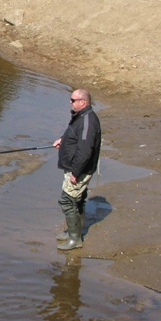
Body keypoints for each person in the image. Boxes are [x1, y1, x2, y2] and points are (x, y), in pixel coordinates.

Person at [52, 88, 101, 251]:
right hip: (76, 167)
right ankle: (74, 233)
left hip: (79, 170)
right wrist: (63, 140)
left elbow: (85, 151)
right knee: (77, 199)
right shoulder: (81, 117)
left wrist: (76, 172)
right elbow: (76, 136)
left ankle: (75, 239)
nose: (70, 102)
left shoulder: (88, 121)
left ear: (83, 102)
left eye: (73, 100)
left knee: (67, 201)